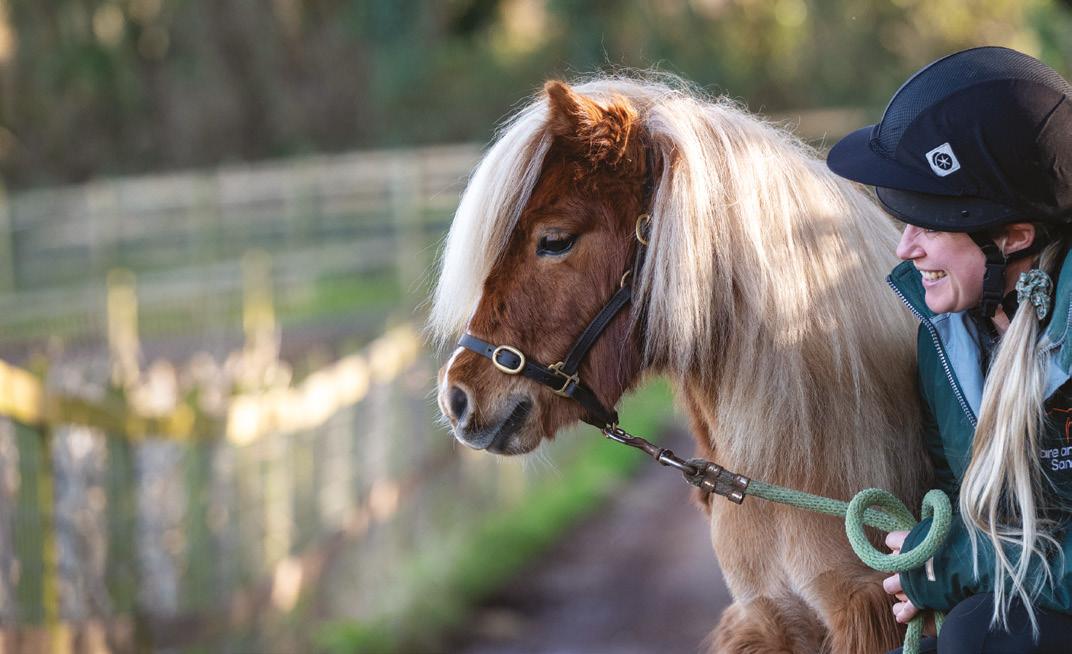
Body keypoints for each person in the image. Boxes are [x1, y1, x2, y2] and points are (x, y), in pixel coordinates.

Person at [826, 46, 1072, 653]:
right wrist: (940, 556)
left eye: (931, 225)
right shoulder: (943, 340)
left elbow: (977, 561)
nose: (905, 248)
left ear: (1013, 237)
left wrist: (956, 566)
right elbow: (960, 505)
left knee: (979, 633)